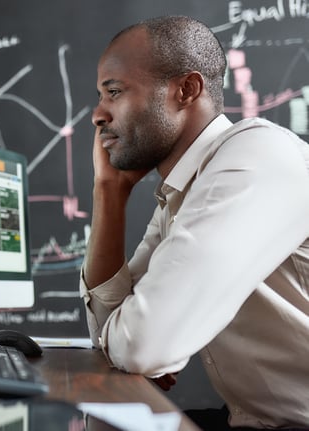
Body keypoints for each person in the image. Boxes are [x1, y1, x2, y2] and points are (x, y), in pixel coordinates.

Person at [80, 15, 309, 430]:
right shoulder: (183, 193)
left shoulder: (257, 158)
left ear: (186, 90)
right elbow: (111, 333)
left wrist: (142, 336)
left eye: (114, 92)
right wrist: (108, 192)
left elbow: (142, 346)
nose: (98, 114)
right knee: (108, 418)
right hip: (254, 422)